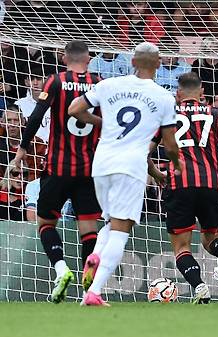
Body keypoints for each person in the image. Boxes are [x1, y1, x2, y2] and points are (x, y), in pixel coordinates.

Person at [68, 42, 181, 307]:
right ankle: (93, 291)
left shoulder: (109, 85)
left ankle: (95, 256)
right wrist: (176, 163)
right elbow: (169, 143)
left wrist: (102, 122)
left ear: (132, 62)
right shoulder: (163, 97)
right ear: (159, 63)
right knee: (121, 229)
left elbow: (74, 109)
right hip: (130, 166)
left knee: (109, 222)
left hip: (102, 163)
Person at [12, 41, 102, 304]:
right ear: (89, 58)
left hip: (57, 166)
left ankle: (61, 269)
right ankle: (89, 291)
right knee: (89, 230)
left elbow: (37, 115)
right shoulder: (100, 83)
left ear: (64, 58)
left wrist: (22, 149)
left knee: (45, 223)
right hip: (89, 168)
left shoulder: (55, 81)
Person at [155, 72, 218, 304]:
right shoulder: (216, 113)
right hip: (211, 183)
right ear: (202, 93)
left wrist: (158, 175)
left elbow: (145, 152)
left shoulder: (168, 115)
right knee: (211, 239)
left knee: (182, 247)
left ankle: (200, 287)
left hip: (179, 183)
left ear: (178, 93)